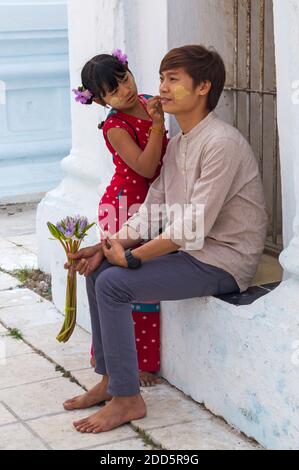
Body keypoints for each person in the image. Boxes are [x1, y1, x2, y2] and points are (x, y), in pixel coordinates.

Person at [63, 44, 268, 434]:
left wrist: (135, 257)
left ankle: (128, 400)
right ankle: (110, 380)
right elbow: (154, 205)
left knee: (114, 284)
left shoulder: (220, 142)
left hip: (221, 260)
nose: (162, 88)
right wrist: (108, 246)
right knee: (99, 270)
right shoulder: (180, 143)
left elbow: (193, 226)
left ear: (204, 86)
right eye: (161, 78)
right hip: (192, 252)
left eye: (173, 79)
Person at [68, 49, 168, 392]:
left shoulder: (150, 100)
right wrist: (157, 124)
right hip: (125, 206)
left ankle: (137, 359)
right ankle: (126, 363)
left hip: (153, 206)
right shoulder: (115, 125)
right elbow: (145, 168)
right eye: (112, 90)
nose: (124, 91)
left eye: (124, 79)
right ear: (99, 100)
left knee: (141, 279)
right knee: (130, 285)